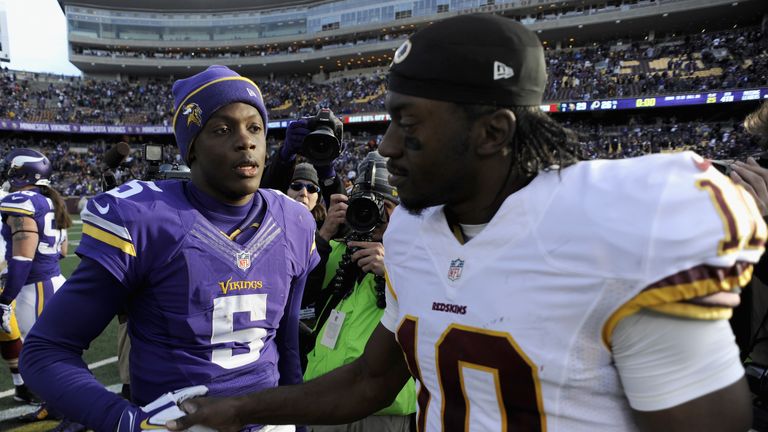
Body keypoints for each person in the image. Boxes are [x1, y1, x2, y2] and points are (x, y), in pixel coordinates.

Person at [168, 15, 763, 432]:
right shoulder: (411, 232)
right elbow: (366, 383)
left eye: (409, 123)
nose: (390, 147)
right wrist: (243, 410)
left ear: (492, 133)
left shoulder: (617, 222)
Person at [19, 65, 319, 432]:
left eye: (254, 127)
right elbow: (45, 351)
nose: (246, 141)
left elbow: (287, 348)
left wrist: (300, 423)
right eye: (223, 129)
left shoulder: (295, 221)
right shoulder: (147, 218)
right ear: (190, 147)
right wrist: (127, 421)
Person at [302, 151, 416, 432]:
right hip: (324, 401)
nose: (372, 213)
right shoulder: (338, 251)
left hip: (383, 411)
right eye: (363, 203)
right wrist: (325, 233)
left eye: (383, 205)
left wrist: (391, 271)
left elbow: (440, 306)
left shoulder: (418, 258)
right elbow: (294, 289)